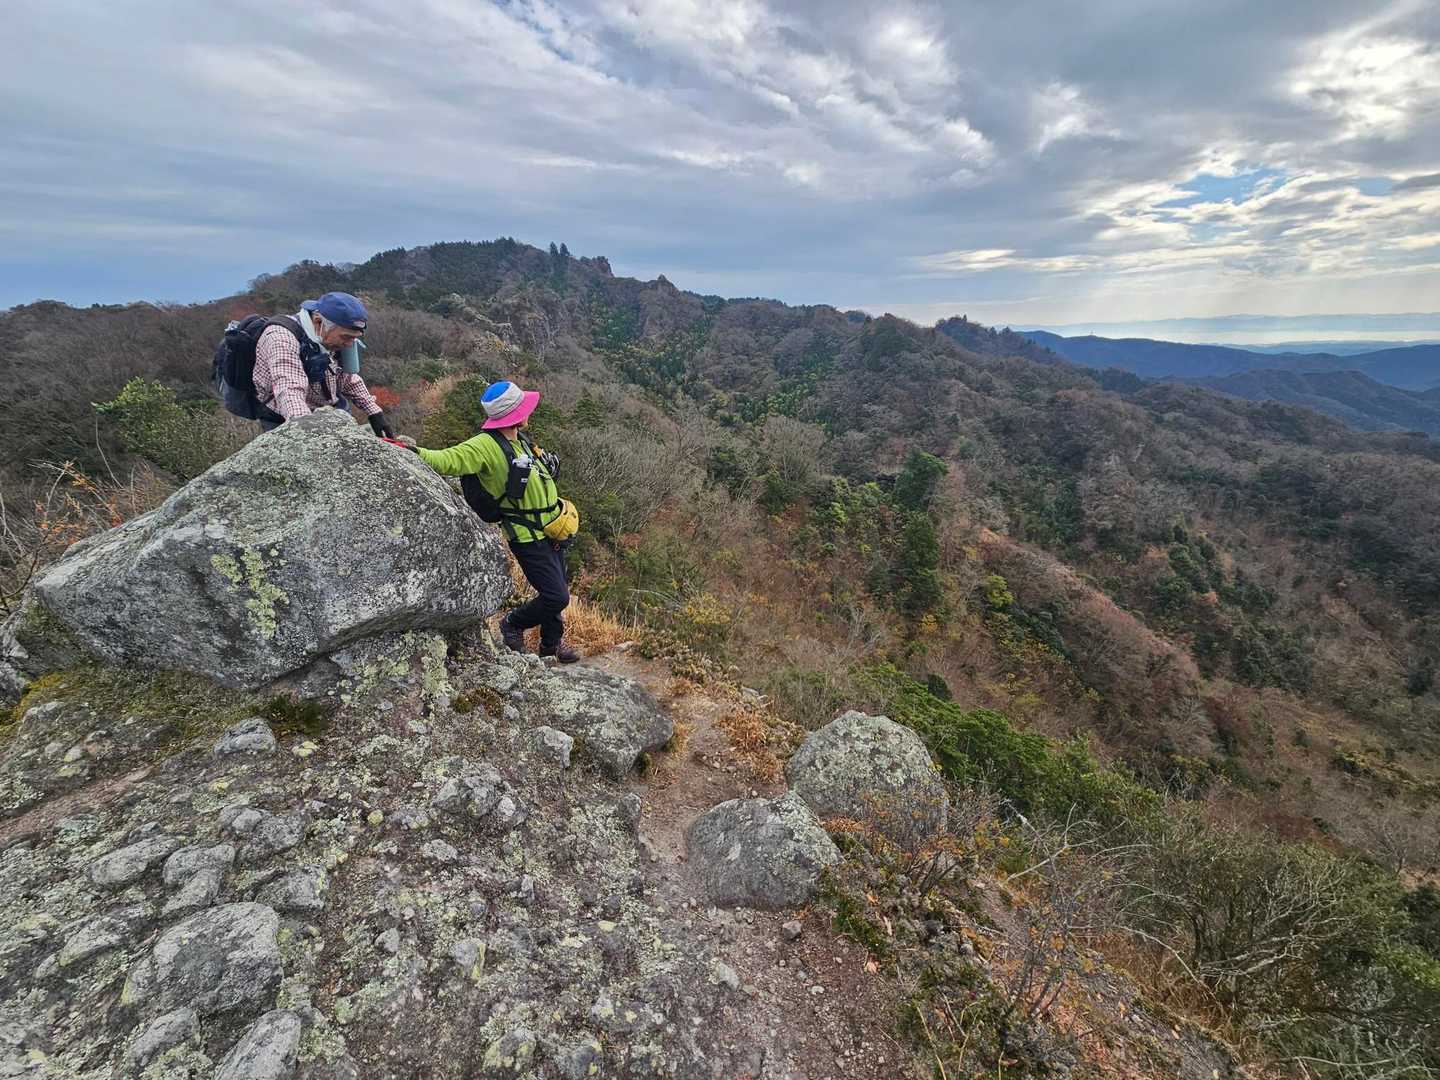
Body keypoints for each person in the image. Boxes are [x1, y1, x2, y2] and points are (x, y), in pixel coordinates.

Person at [412, 380, 580, 662]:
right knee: (556, 596)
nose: (529, 412)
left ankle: (551, 645)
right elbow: (447, 459)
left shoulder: (519, 439)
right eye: (524, 407)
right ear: (514, 413)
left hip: (552, 529)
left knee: (557, 587)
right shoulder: (484, 445)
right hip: (527, 536)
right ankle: (512, 623)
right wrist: (412, 450)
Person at [251, 291, 395, 437]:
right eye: (346, 337)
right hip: (284, 416)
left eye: (355, 338)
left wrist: (374, 411)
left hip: (331, 408)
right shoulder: (281, 339)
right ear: (318, 322)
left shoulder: (330, 335)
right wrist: (308, 433)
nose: (350, 344)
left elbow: (346, 377)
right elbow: (289, 390)